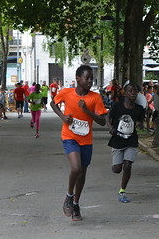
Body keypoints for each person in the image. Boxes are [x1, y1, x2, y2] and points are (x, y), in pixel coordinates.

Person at [50, 65, 107, 221]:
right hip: (69, 136)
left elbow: (102, 121)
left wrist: (87, 110)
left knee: (82, 172)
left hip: (86, 139)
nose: (90, 81)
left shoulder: (95, 97)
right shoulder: (66, 93)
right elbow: (53, 103)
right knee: (75, 167)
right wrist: (63, 117)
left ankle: (76, 204)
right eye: (87, 78)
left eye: (91, 78)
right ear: (77, 78)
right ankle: (69, 196)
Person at [107, 83, 145, 203]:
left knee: (127, 165)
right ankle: (115, 165)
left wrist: (140, 124)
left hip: (131, 141)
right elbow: (107, 117)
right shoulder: (117, 106)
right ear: (125, 93)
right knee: (118, 169)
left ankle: (122, 190)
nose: (133, 93)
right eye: (130, 91)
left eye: (135, 91)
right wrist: (110, 127)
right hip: (117, 141)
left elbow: (141, 121)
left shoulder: (139, 109)